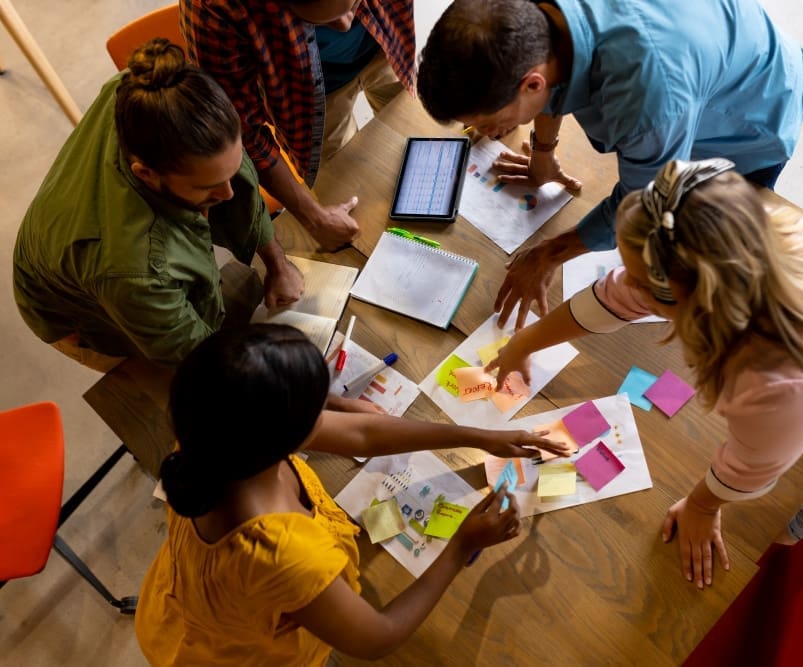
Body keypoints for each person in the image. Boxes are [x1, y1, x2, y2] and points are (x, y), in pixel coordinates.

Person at [488, 158, 803, 589]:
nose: (628, 285)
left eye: (643, 281)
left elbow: (750, 471)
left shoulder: (770, 380)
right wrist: (524, 342)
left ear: (690, 300)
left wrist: (703, 508)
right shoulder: (751, 230)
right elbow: (617, 296)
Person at [135, 323, 570, 664]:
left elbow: (363, 432)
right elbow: (377, 637)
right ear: (294, 433)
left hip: (184, 612)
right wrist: (461, 546)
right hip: (235, 655)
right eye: (320, 407)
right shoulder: (282, 553)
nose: (332, 410)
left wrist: (481, 436)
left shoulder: (212, 433)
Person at [417, 0, 803, 330]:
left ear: (532, 85)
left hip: (751, 112)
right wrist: (542, 154)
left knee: (709, 256)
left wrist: (547, 254)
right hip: (704, 46)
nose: (486, 131)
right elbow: (554, 70)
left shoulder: (650, 101)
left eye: (488, 119)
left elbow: (644, 205)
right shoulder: (530, 21)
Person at [12, 39, 303, 370]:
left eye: (231, 170)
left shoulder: (147, 97)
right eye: (207, 187)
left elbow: (237, 182)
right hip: (73, 305)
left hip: (89, 243)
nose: (229, 193)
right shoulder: (133, 270)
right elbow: (198, 355)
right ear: (147, 174)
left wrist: (278, 265)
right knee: (161, 393)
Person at [181, 0, 415, 250]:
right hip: (308, 99)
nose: (346, 25)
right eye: (322, 20)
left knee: (419, 139)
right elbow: (243, 132)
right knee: (352, 200)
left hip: (384, 40)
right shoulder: (213, 7)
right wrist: (314, 217)